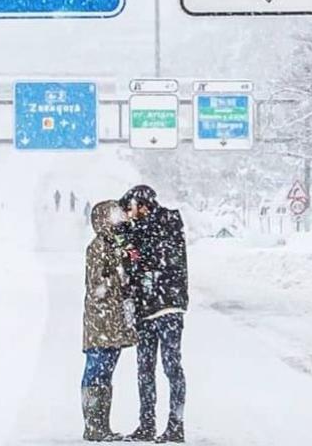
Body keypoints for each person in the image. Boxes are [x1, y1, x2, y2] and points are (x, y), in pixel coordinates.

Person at [116, 185, 188, 444]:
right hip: (146, 309)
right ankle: (146, 424)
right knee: (144, 368)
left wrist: (128, 237)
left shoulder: (167, 223)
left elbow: (147, 259)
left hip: (167, 307)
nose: (128, 214)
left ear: (143, 205)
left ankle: (175, 425)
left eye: (130, 209)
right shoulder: (137, 231)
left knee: (171, 366)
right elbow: (132, 265)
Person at [81, 201, 139, 442]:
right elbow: (98, 284)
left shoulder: (116, 245)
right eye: (114, 215)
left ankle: (101, 425)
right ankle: (94, 425)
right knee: (97, 372)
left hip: (112, 322)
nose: (119, 219)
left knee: (105, 373)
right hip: (101, 322)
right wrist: (120, 273)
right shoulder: (99, 247)